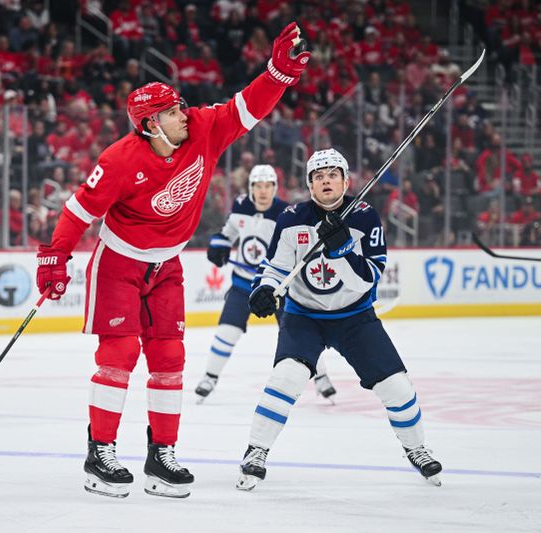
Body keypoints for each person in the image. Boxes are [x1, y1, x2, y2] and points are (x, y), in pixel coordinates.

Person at [35, 22, 310, 499]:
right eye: (171, 110)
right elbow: (79, 209)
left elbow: (246, 108)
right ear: (149, 124)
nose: (184, 112)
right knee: (119, 356)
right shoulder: (121, 160)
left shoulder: (203, 128)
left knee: (169, 358)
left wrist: (278, 73)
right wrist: (54, 257)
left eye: (181, 105)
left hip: (168, 265)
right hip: (119, 264)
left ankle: (161, 456)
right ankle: (99, 453)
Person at [236, 149, 442, 490]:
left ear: (346, 181)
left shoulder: (365, 217)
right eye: (318, 176)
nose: (326, 181)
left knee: (396, 386)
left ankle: (417, 448)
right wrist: (265, 288)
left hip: (355, 317)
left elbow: (367, 280)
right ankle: (256, 451)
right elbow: (274, 266)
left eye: (333, 174)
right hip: (303, 316)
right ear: (310, 185)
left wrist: (343, 249)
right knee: (285, 378)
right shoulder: (291, 217)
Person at [195, 165, 338, 404]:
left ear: (275, 188)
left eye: (268, 186)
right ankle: (210, 377)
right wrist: (218, 244)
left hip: (277, 287)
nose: (263, 191)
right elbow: (227, 233)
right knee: (226, 331)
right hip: (243, 284)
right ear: (251, 188)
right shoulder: (241, 206)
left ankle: (322, 378)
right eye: (258, 186)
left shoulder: (286, 214)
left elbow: (299, 245)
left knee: (300, 335)